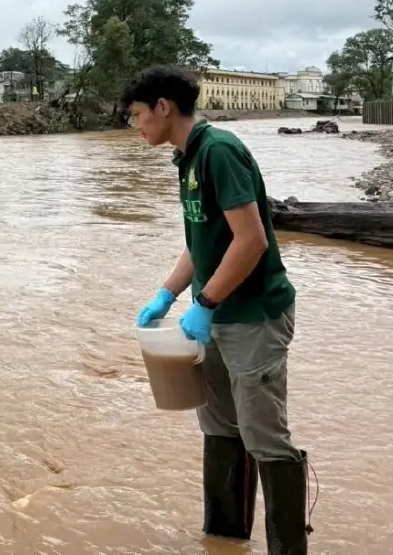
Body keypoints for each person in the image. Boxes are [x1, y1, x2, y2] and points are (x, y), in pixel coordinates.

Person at [123, 65, 311, 555]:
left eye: (138, 115)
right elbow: (202, 242)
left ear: (163, 108)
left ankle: (288, 548)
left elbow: (250, 240)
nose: (136, 125)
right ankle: (225, 539)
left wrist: (204, 303)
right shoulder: (186, 158)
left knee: (264, 434)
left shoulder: (218, 151)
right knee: (219, 426)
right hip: (218, 319)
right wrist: (166, 294)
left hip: (254, 317)